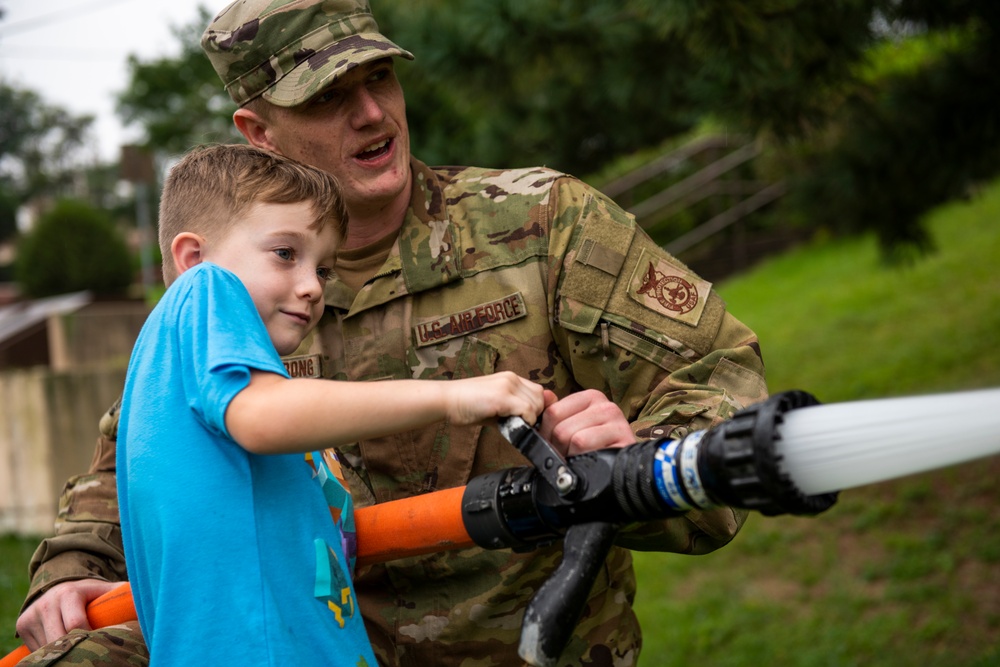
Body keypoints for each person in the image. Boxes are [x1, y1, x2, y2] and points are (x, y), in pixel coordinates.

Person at [15, 1, 769, 665]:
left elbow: (723, 382)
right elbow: (135, 456)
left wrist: (633, 458)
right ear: (259, 132)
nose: (372, 113)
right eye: (328, 96)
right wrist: (71, 569)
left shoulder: (542, 224)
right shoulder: (234, 288)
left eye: (378, 78)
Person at [117, 143, 547, 666]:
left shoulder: (191, 378)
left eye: (322, 269)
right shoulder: (205, 292)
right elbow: (263, 416)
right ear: (193, 258)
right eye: (285, 254)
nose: (312, 287)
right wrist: (455, 395)